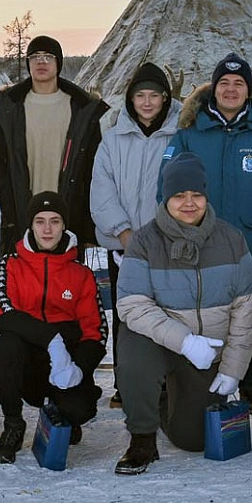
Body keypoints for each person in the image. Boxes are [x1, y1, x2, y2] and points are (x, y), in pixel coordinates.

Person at [164, 52, 252, 415]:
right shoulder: (190, 135)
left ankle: (247, 384)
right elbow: (168, 186)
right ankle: (200, 383)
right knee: (198, 314)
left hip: (250, 246)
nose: (231, 89)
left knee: (245, 319)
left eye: (239, 84)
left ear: (249, 92)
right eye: (224, 82)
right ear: (213, 89)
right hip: (199, 245)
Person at [113, 152, 252, 475]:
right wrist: (185, 342)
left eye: (196, 194)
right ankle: (142, 438)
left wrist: (233, 369)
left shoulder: (232, 240)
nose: (189, 203)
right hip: (161, 341)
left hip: (207, 352)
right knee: (134, 353)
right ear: (166, 198)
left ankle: (169, 399)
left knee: (193, 438)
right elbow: (131, 304)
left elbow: (246, 309)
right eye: (179, 195)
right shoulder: (144, 241)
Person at [0, 192, 105, 464]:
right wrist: (50, 339)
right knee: (5, 345)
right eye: (40, 221)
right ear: (31, 226)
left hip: (65, 365)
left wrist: (78, 368)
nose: (48, 229)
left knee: (80, 409)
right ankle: (13, 425)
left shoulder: (81, 273)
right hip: (27, 361)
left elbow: (95, 330)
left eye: (55, 221)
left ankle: (63, 415)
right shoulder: (12, 263)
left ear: (64, 225)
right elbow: (4, 312)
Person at [88, 61, 178, 405]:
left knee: (167, 314)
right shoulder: (112, 141)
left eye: (154, 95)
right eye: (140, 95)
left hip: (166, 245)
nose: (147, 102)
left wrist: (165, 235)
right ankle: (126, 384)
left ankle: (166, 382)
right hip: (123, 246)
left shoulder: (179, 138)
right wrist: (124, 233)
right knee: (126, 315)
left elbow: (183, 191)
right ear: (130, 100)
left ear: (165, 99)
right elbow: (102, 189)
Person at [0, 35, 108, 254]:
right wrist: (7, 194)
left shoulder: (82, 109)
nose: (41, 62)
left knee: (66, 284)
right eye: (35, 57)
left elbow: (92, 164)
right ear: (28, 63)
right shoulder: (9, 107)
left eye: (48, 57)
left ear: (58, 63)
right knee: (19, 282)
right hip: (19, 213)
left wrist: (83, 212)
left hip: (67, 215)